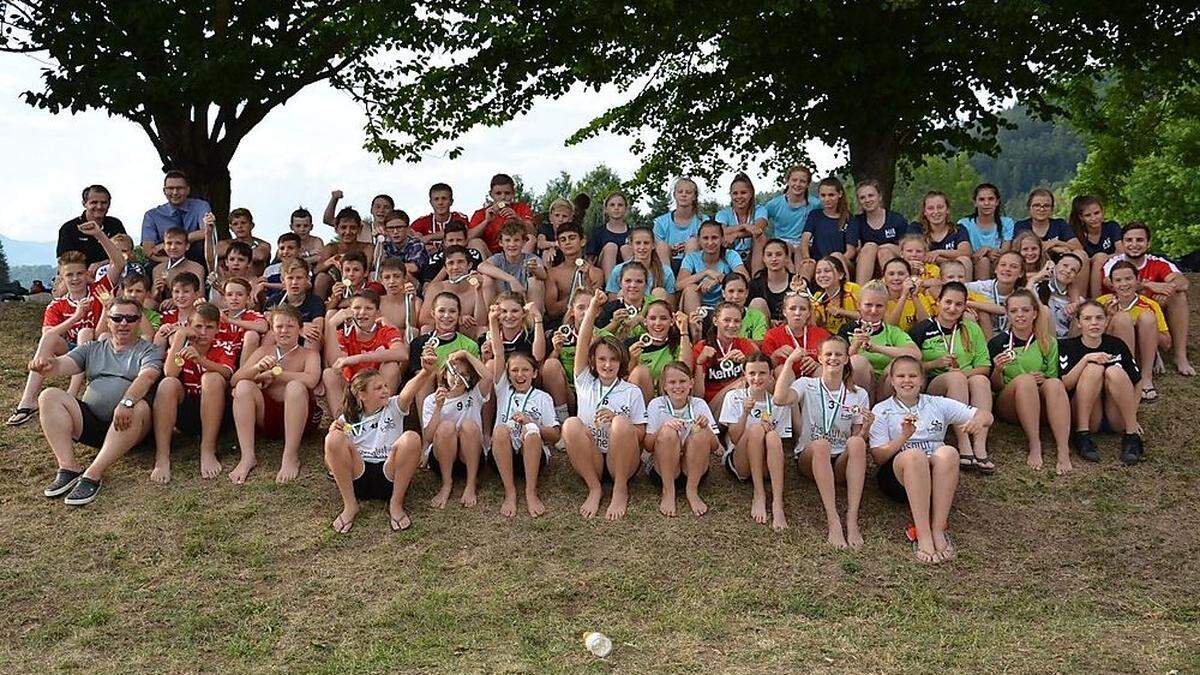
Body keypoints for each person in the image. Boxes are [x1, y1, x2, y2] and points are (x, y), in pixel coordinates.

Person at [30, 297, 163, 506]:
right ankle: (68, 467)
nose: (123, 323)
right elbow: (63, 365)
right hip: (92, 422)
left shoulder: (150, 350)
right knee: (49, 395)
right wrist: (47, 365)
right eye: (117, 318)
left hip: (132, 426)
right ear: (108, 321)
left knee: (140, 406)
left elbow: (147, 377)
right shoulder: (92, 348)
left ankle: (93, 474)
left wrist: (126, 402)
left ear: (139, 322)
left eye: (130, 318)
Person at [869, 355, 992, 563]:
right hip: (899, 478)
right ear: (891, 379)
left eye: (912, 376)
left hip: (936, 478)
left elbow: (985, 415)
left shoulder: (937, 404)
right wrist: (903, 437)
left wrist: (979, 421)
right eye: (900, 376)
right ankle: (923, 534)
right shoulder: (882, 409)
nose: (907, 380)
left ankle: (938, 529)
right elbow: (879, 457)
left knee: (949, 452)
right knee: (915, 456)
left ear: (922, 380)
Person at [9, 221, 125, 427]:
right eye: (69, 275)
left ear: (87, 274)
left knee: (85, 333)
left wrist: (99, 235)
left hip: (101, 346)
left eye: (79, 273)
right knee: (57, 336)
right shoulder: (57, 305)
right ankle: (28, 400)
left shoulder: (100, 289)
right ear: (62, 278)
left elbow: (118, 263)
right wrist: (75, 317)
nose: (75, 278)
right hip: (72, 353)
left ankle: (72, 392)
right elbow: (49, 335)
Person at [774, 337, 872, 548]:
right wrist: (790, 363)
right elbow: (779, 399)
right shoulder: (807, 384)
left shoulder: (858, 394)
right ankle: (833, 520)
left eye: (838, 354)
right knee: (821, 445)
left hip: (840, 461)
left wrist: (865, 430)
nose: (833, 358)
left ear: (847, 358)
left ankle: (852, 519)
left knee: (856, 443)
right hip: (811, 456)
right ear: (819, 358)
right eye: (828, 354)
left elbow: (857, 436)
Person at [562, 289, 647, 520]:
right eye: (602, 359)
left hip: (622, 461)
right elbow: (582, 340)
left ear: (621, 363)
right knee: (570, 424)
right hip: (593, 459)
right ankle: (594, 488)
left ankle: (620, 489)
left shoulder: (631, 391)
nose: (607, 365)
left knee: (620, 422)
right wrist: (591, 309)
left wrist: (617, 421)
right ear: (593, 361)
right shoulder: (585, 382)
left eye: (613, 360)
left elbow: (640, 433)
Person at [325, 367, 428, 533]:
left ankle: (395, 504)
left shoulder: (394, 406)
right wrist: (333, 437)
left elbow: (409, 391)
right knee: (333, 437)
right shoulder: (348, 418)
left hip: (390, 475)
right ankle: (350, 505)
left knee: (412, 438)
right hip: (359, 476)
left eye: (386, 386)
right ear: (361, 395)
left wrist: (425, 372)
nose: (385, 390)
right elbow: (330, 464)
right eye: (378, 388)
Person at [229, 304, 322, 484]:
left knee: (295, 386)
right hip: (268, 417)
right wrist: (258, 370)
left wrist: (277, 373)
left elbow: (311, 380)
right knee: (243, 387)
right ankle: (247, 456)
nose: (284, 331)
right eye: (279, 326)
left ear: (300, 330)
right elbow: (235, 380)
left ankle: (290, 456)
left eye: (290, 326)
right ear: (272, 329)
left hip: (300, 418)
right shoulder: (264, 351)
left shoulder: (309, 354)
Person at [908, 283, 994, 473]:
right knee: (956, 379)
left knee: (980, 380)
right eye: (947, 302)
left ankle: (980, 444)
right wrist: (934, 364)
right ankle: (964, 443)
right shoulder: (922, 329)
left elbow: (984, 367)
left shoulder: (972, 329)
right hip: (935, 387)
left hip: (966, 380)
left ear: (965, 307)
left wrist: (962, 374)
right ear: (938, 302)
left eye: (958, 304)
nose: (952, 308)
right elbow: (908, 368)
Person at [988, 290, 1072, 474]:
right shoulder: (997, 343)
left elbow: (1053, 376)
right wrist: (998, 370)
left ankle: (1063, 449)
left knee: (1055, 384)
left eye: (1025, 310)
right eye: (1014, 311)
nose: (1020, 315)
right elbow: (995, 388)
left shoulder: (1047, 342)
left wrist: (1045, 379)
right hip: (1010, 403)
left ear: (1034, 313)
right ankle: (1035, 444)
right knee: (1025, 381)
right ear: (1008, 314)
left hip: (1040, 401)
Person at [152, 302, 237, 481]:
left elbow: (227, 373)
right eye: (198, 326)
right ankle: (162, 457)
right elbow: (170, 372)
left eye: (209, 327)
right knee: (168, 384)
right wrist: (179, 337)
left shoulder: (224, 344)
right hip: (189, 413)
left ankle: (207, 450)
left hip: (219, 415)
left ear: (217, 328)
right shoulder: (184, 344)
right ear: (190, 325)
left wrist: (201, 361)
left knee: (211, 378)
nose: (203, 332)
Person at [1058, 300, 1146, 464]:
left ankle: (1132, 435)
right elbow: (1065, 385)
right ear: (1078, 323)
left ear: (1106, 322)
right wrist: (1086, 359)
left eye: (1099, 318)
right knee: (1094, 369)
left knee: (1114, 371)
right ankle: (1082, 434)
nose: (1094, 323)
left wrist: (1133, 414)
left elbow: (1137, 380)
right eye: (1087, 319)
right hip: (1089, 413)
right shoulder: (1067, 346)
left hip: (1115, 413)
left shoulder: (1116, 345)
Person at [488, 324, 561, 518]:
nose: (519, 375)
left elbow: (555, 435)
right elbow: (499, 352)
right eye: (514, 371)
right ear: (508, 373)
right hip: (503, 454)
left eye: (525, 370)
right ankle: (510, 492)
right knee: (501, 431)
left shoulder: (542, 397)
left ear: (535, 373)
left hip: (534, 456)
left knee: (532, 432)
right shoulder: (503, 390)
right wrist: (493, 321)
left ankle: (530, 492)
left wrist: (531, 423)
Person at [1101, 223, 1193, 376]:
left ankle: (1180, 356)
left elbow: (1183, 283)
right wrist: (1149, 285)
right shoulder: (1114, 263)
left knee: (1178, 296)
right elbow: (1112, 284)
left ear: (1148, 243)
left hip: (1149, 311)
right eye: (1129, 240)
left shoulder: (1158, 262)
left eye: (1140, 240)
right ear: (1122, 243)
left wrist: (1163, 288)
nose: (1134, 244)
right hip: (1119, 312)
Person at [719, 353, 792, 530]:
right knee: (756, 429)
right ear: (745, 375)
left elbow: (781, 443)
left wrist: (770, 430)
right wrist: (745, 413)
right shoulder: (734, 396)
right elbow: (735, 438)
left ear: (771, 376)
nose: (757, 378)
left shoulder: (778, 402)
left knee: (773, 436)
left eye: (762, 373)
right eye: (752, 373)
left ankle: (777, 502)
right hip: (740, 461)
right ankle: (759, 494)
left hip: (767, 463)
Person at [644, 361, 720, 517]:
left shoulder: (699, 404)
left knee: (699, 433)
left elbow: (714, 446)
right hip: (663, 471)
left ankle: (692, 491)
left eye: (682, 381)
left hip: (693, 470)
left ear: (691, 383)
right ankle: (668, 491)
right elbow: (648, 446)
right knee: (668, 432)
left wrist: (706, 429)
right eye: (672, 382)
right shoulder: (655, 404)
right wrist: (663, 427)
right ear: (664, 386)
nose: (677, 386)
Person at [421, 348, 494, 509]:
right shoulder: (432, 400)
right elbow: (428, 437)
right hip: (443, 458)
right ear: (445, 374)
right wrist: (438, 408)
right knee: (446, 427)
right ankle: (447, 484)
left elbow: (488, 377)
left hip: (470, 456)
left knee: (469, 426)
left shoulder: (474, 394)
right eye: (454, 372)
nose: (459, 378)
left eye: (465, 374)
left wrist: (465, 354)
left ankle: (471, 483)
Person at [322, 291, 406, 420]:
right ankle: (343, 423)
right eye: (357, 308)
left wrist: (357, 358)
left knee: (392, 366)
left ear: (377, 313)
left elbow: (402, 353)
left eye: (369, 308)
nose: (362, 313)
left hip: (378, 389)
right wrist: (331, 326)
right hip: (352, 389)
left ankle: (379, 418)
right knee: (329, 374)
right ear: (349, 311)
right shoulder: (343, 334)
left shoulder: (386, 331)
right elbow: (335, 362)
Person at [1096, 261, 1170, 402]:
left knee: (1147, 317)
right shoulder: (1102, 302)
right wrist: (1109, 317)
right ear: (1112, 284)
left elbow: (1166, 344)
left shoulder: (1150, 304)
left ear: (1138, 280)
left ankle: (1146, 379)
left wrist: (1144, 326)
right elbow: (1091, 336)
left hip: (1142, 352)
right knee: (1123, 319)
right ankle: (1129, 376)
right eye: (1118, 280)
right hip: (1113, 353)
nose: (1124, 284)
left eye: (1128, 279)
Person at [840, 281, 921, 400]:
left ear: (886, 307)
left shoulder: (893, 332)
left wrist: (876, 348)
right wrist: (854, 347)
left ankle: (887, 410)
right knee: (857, 361)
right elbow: (838, 362)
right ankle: (862, 407)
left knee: (900, 364)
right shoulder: (847, 330)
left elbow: (916, 355)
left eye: (879, 306)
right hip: (859, 385)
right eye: (868, 305)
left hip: (886, 386)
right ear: (859, 305)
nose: (873, 311)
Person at [693, 302, 758, 414]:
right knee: (741, 383)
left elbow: (759, 381)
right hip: (713, 408)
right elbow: (697, 396)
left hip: (741, 405)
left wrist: (746, 364)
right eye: (727, 320)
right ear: (715, 321)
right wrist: (699, 363)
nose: (732, 325)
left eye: (737, 321)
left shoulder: (745, 345)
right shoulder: (702, 348)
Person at [140, 170, 212, 265]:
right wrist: (173, 262)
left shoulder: (201, 206)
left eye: (179, 188)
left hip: (197, 259)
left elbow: (207, 231)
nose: (175, 192)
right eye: (170, 188)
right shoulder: (152, 215)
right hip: (164, 261)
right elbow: (148, 250)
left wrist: (171, 242)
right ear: (164, 191)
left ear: (188, 190)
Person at [678, 220, 748, 314]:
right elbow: (678, 285)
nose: (710, 242)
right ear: (699, 240)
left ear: (722, 239)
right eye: (705, 238)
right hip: (698, 306)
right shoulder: (691, 258)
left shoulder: (731, 255)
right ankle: (696, 326)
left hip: (725, 306)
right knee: (690, 289)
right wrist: (706, 273)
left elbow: (745, 278)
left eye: (714, 238)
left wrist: (720, 279)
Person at [626, 301, 692, 401]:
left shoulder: (680, 341)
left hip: (671, 398)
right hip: (643, 402)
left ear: (672, 321)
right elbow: (626, 381)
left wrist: (684, 331)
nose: (658, 323)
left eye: (663, 318)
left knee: (671, 371)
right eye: (652, 318)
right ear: (645, 321)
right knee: (641, 371)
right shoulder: (632, 345)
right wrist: (633, 360)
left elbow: (686, 372)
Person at [418, 246, 490, 337]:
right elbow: (423, 320)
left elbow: (480, 323)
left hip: (466, 336)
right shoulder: (436, 288)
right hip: (440, 335)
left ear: (469, 265)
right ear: (446, 268)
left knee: (482, 330)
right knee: (425, 329)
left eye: (460, 262)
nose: (455, 267)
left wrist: (478, 290)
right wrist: (456, 320)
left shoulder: (479, 286)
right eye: (451, 263)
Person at [851, 180, 911, 286]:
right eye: (862, 197)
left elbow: (907, 250)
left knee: (884, 251)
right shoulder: (857, 221)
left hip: (892, 261)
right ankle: (860, 294)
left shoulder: (896, 219)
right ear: (859, 201)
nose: (867, 200)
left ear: (879, 197)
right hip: (867, 263)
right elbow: (856, 250)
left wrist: (886, 247)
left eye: (871, 195)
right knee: (870, 246)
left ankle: (893, 292)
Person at [478, 220, 546, 308]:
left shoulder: (531, 258)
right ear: (501, 243)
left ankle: (533, 319)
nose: (512, 244)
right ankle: (491, 318)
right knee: (487, 279)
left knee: (535, 282)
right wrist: (512, 280)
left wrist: (536, 270)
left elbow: (544, 275)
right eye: (507, 240)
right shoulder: (498, 258)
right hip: (502, 305)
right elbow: (481, 266)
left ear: (524, 242)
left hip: (525, 304)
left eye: (516, 240)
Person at [764, 165, 821, 271]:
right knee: (786, 248)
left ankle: (799, 278)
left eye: (802, 181)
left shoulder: (815, 204)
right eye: (794, 180)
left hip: (805, 242)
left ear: (808, 184)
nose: (798, 184)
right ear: (788, 181)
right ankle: (791, 273)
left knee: (800, 249)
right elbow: (760, 217)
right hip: (783, 241)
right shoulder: (775, 204)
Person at [799, 177, 857, 279]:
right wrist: (807, 257)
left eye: (831, 195)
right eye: (823, 195)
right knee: (807, 264)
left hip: (841, 261)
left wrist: (832, 263)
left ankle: (845, 291)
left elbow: (851, 251)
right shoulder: (815, 215)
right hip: (819, 260)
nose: (827, 199)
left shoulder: (848, 218)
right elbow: (805, 240)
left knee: (837, 255)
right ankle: (801, 291)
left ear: (839, 194)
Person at [762, 292, 830, 377]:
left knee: (821, 370)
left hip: (813, 381)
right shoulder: (772, 335)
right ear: (784, 312)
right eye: (792, 308)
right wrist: (775, 355)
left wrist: (818, 364)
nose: (797, 313)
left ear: (809, 313)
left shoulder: (822, 335)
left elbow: (832, 362)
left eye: (803, 309)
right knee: (781, 369)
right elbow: (764, 368)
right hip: (786, 382)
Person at [547, 222, 607, 319]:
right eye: (563, 240)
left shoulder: (596, 273)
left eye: (572, 238)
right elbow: (552, 310)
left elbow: (597, 304)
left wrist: (587, 281)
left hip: (591, 321)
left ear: (582, 241)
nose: (567, 242)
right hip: (561, 323)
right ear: (559, 245)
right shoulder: (553, 273)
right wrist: (576, 297)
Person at [57, 184, 126, 267]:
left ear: (109, 204)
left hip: (113, 274)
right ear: (84, 203)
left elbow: (125, 255)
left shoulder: (115, 224)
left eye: (103, 203)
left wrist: (101, 264)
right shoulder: (69, 229)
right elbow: (65, 263)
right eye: (94, 202)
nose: (99, 207)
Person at [958, 183, 1015, 282]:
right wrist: (984, 251)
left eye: (991, 199)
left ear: (997, 202)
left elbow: (1005, 252)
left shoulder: (1007, 223)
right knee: (983, 261)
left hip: (997, 265)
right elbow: (965, 253)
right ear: (975, 202)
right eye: (982, 199)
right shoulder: (964, 224)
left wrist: (988, 251)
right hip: (971, 267)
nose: (986, 203)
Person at [605, 226, 676, 305]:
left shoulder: (666, 272)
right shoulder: (618, 270)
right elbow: (611, 303)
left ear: (653, 245)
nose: (642, 247)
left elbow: (671, 306)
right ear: (631, 245)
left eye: (646, 243)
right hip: (626, 315)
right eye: (638, 243)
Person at [1069, 195, 1123, 297]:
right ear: (1081, 218)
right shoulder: (1076, 233)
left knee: (1100, 257)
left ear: (1102, 212)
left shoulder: (1112, 227)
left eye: (1097, 213)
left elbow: (1121, 252)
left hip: (1108, 270)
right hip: (1083, 274)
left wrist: (1099, 259)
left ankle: (1096, 301)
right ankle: (1081, 301)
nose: (1094, 218)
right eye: (1088, 215)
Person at [469, 173, 535, 254]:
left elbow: (533, 232)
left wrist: (518, 219)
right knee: (475, 242)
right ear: (491, 194)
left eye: (507, 193)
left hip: (517, 254)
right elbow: (469, 238)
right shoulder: (481, 213)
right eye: (498, 193)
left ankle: (519, 266)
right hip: (490, 256)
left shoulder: (522, 208)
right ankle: (486, 267)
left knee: (531, 238)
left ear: (513, 193)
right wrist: (486, 221)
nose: (503, 197)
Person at [715, 173, 769, 273]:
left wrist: (735, 234)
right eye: (735, 193)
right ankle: (729, 276)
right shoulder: (723, 213)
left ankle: (757, 279)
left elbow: (758, 229)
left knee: (760, 237)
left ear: (751, 193)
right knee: (723, 238)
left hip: (753, 254)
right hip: (732, 253)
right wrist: (744, 226)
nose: (739, 197)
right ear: (730, 195)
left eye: (743, 192)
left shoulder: (760, 210)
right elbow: (719, 232)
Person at [916, 191, 972, 279]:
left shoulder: (958, 229)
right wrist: (946, 260)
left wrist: (937, 252)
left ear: (947, 210)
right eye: (930, 208)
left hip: (953, 274)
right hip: (925, 273)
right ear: (924, 212)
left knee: (964, 260)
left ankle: (963, 291)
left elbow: (965, 252)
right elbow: (913, 253)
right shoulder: (916, 228)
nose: (936, 212)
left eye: (940, 207)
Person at [1013, 188, 1081, 259]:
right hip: (1030, 264)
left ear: (1052, 209)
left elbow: (1078, 248)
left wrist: (1056, 243)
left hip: (1060, 266)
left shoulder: (1060, 224)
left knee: (1081, 254)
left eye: (1046, 206)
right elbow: (1017, 248)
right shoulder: (1021, 226)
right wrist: (1053, 248)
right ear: (1029, 207)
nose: (1042, 209)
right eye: (1037, 205)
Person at [653, 177, 707, 266]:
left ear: (694, 196)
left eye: (688, 192)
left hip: (696, 264)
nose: (684, 195)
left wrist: (694, 244)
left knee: (693, 243)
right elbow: (654, 247)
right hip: (665, 262)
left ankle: (686, 277)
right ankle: (667, 278)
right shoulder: (661, 222)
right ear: (674, 195)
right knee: (661, 246)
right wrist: (669, 248)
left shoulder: (703, 221)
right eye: (680, 192)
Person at [149, 227, 206, 306]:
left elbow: (200, 296)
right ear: (164, 246)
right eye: (169, 243)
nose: (173, 247)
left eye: (178, 243)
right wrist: (158, 292)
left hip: (190, 311)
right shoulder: (158, 269)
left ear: (187, 246)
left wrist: (175, 300)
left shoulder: (196, 268)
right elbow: (154, 300)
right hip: (164, 312)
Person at [411, 182, 472, 254]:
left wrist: (428, 237)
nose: (440, 202)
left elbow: (456, 230)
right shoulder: (422, 221)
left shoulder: (459, 217)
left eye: (444, 198)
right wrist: (422, 245)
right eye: (436, 199)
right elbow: (407, 233)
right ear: (431, 202)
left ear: (451, 202)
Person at [748, 239, 798, 322]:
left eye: (778, 254)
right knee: (757, 303)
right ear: (763, 258)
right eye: (769, 255)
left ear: (786, 258)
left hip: (791, 327)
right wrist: (770, 321)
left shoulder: (797, 282)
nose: (774, 259)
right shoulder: (755, 285)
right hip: (763, 329)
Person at [588, 191, 633, 280]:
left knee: (626, 248)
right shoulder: (598, 232)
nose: (616, 208)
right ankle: (610, 288)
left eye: (620, 205)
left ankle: (632, 282)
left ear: (626, 209)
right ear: (606, 209)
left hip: (627, 267)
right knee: (610, 247)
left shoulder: (633, 233)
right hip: (604, 269)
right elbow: (590, 258)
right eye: (612, 205)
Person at [811, 256, 860, 335]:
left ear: (840, 275)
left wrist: (842, 312)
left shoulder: (852, 289)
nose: (822, 275)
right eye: (818, 272)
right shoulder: (817, 297)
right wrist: (800, 291)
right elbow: (813, 324)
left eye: (827, 271)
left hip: (853, 335)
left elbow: (867, 316)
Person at [218, 207, 272, 275]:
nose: (239, 226)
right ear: (231, 228)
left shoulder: (263, 245)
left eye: (243, 223)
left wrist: (232, 252)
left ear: (252, 225)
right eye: (235, 224)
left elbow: (260, 256)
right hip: (229, 281)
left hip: (255, 282)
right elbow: (214, 253)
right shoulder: (224, 244)